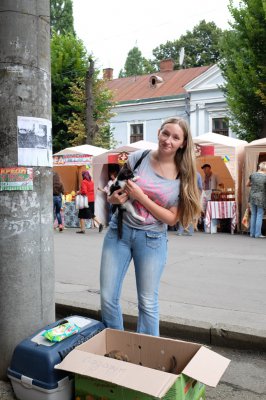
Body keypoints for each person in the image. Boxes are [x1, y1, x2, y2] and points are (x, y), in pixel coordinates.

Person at [100, 117, 201, 336]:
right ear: (158, 133)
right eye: (166, 134)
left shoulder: (183, 176)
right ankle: (116, 350)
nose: (168, 141)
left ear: (183, 143)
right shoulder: (138, 158)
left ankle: (145, 357)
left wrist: (142, 197)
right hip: (119, 232)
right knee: (108, 298)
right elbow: (114, 192)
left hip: (151, 240)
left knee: (147, 303)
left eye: (176, 137)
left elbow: (172, 219)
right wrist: (114, 199)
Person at [176, 171, 203, 236]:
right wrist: (198, 197)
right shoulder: (198, 174)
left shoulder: (184, 173)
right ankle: (190, 231)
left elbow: (179, 185)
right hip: (193, 196)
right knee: (192, 213)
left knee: (183, 213)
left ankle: (180, 231)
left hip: (184, 195)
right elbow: (200, 187)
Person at [246, 161, 266, 238]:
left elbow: (247, 184)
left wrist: (254, 184)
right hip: (261, 197)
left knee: (253, 214)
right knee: (259, 215)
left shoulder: (253, 174)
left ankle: (252, 233)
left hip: (252, 197)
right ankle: (257, 234)